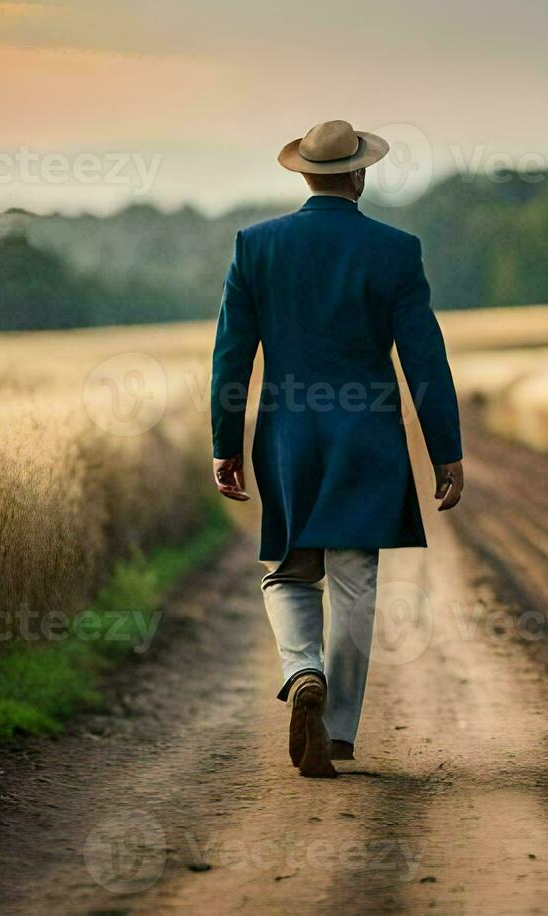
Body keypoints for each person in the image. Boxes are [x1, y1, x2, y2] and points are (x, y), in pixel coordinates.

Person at [209, 120, 464, 778]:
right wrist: (446, 450)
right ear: (359, 175)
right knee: (356, 581)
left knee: (290, 569)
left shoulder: (255, 247)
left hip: (289, 436)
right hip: (367, 437)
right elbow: (424, 359)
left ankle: (302, 670)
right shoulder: (394, 250)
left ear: (304, 174)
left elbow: (232, 357)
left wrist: (224, 443)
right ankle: (340, 728)